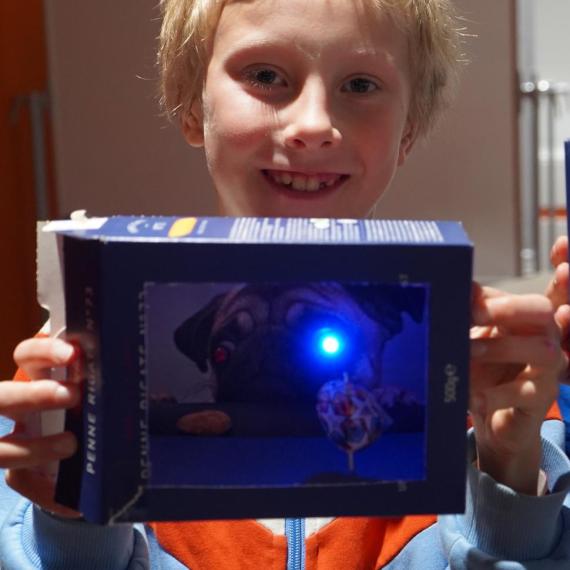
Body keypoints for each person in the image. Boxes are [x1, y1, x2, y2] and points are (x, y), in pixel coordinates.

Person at [1, 0, 570, 568]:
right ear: (192, 107)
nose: (314, 125)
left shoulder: (486, 376)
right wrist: (69, 521)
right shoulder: (72, 366)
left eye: (361, 83)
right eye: (266, 76)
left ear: (408, 131)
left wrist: (508, 474)